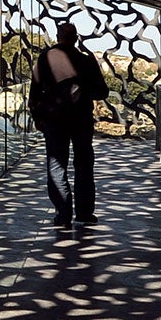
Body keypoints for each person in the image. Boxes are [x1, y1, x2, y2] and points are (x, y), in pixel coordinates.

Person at [29, 20, 110, 227]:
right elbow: (102, 92)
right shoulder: (86, 61)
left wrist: (36, 116)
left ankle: (63, 213)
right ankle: (84, 212)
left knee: (57, 165)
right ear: (75, 38)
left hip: (54, 120)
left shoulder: (45, 58)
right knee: (83, 164)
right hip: (81, 119)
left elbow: (35, 91)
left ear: (58, 37)